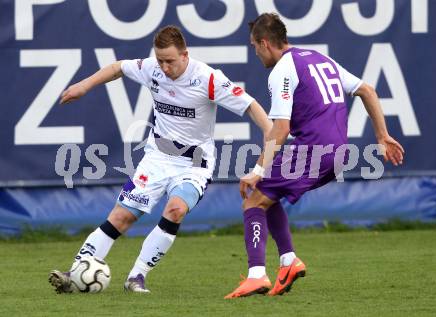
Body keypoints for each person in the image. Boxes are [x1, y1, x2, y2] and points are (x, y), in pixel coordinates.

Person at [49, 25, 272, 294]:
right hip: (156, 158)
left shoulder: (209, 79)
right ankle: (74, 274)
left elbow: (251, 106)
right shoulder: (151, 67)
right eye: (161, 61)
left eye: (170, 61)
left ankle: (136, 276)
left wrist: (271, 132)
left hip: (195, 163)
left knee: (176, 209)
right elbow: (118, 67)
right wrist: (84, 85)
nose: (165, 68)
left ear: (185, 55)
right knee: (121, 217)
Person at [224, 13, 405, 299]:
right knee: (268, 198)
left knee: (253, 195)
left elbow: (280, 129)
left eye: (254, 46)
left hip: (313, 150)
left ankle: (257, 275)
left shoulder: (282, 70)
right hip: (338, 154)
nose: (255, 53)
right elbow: (366, 90)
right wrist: (382, 135)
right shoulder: (318, 58)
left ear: (264, 43)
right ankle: (288, 261)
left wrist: (257, 169)